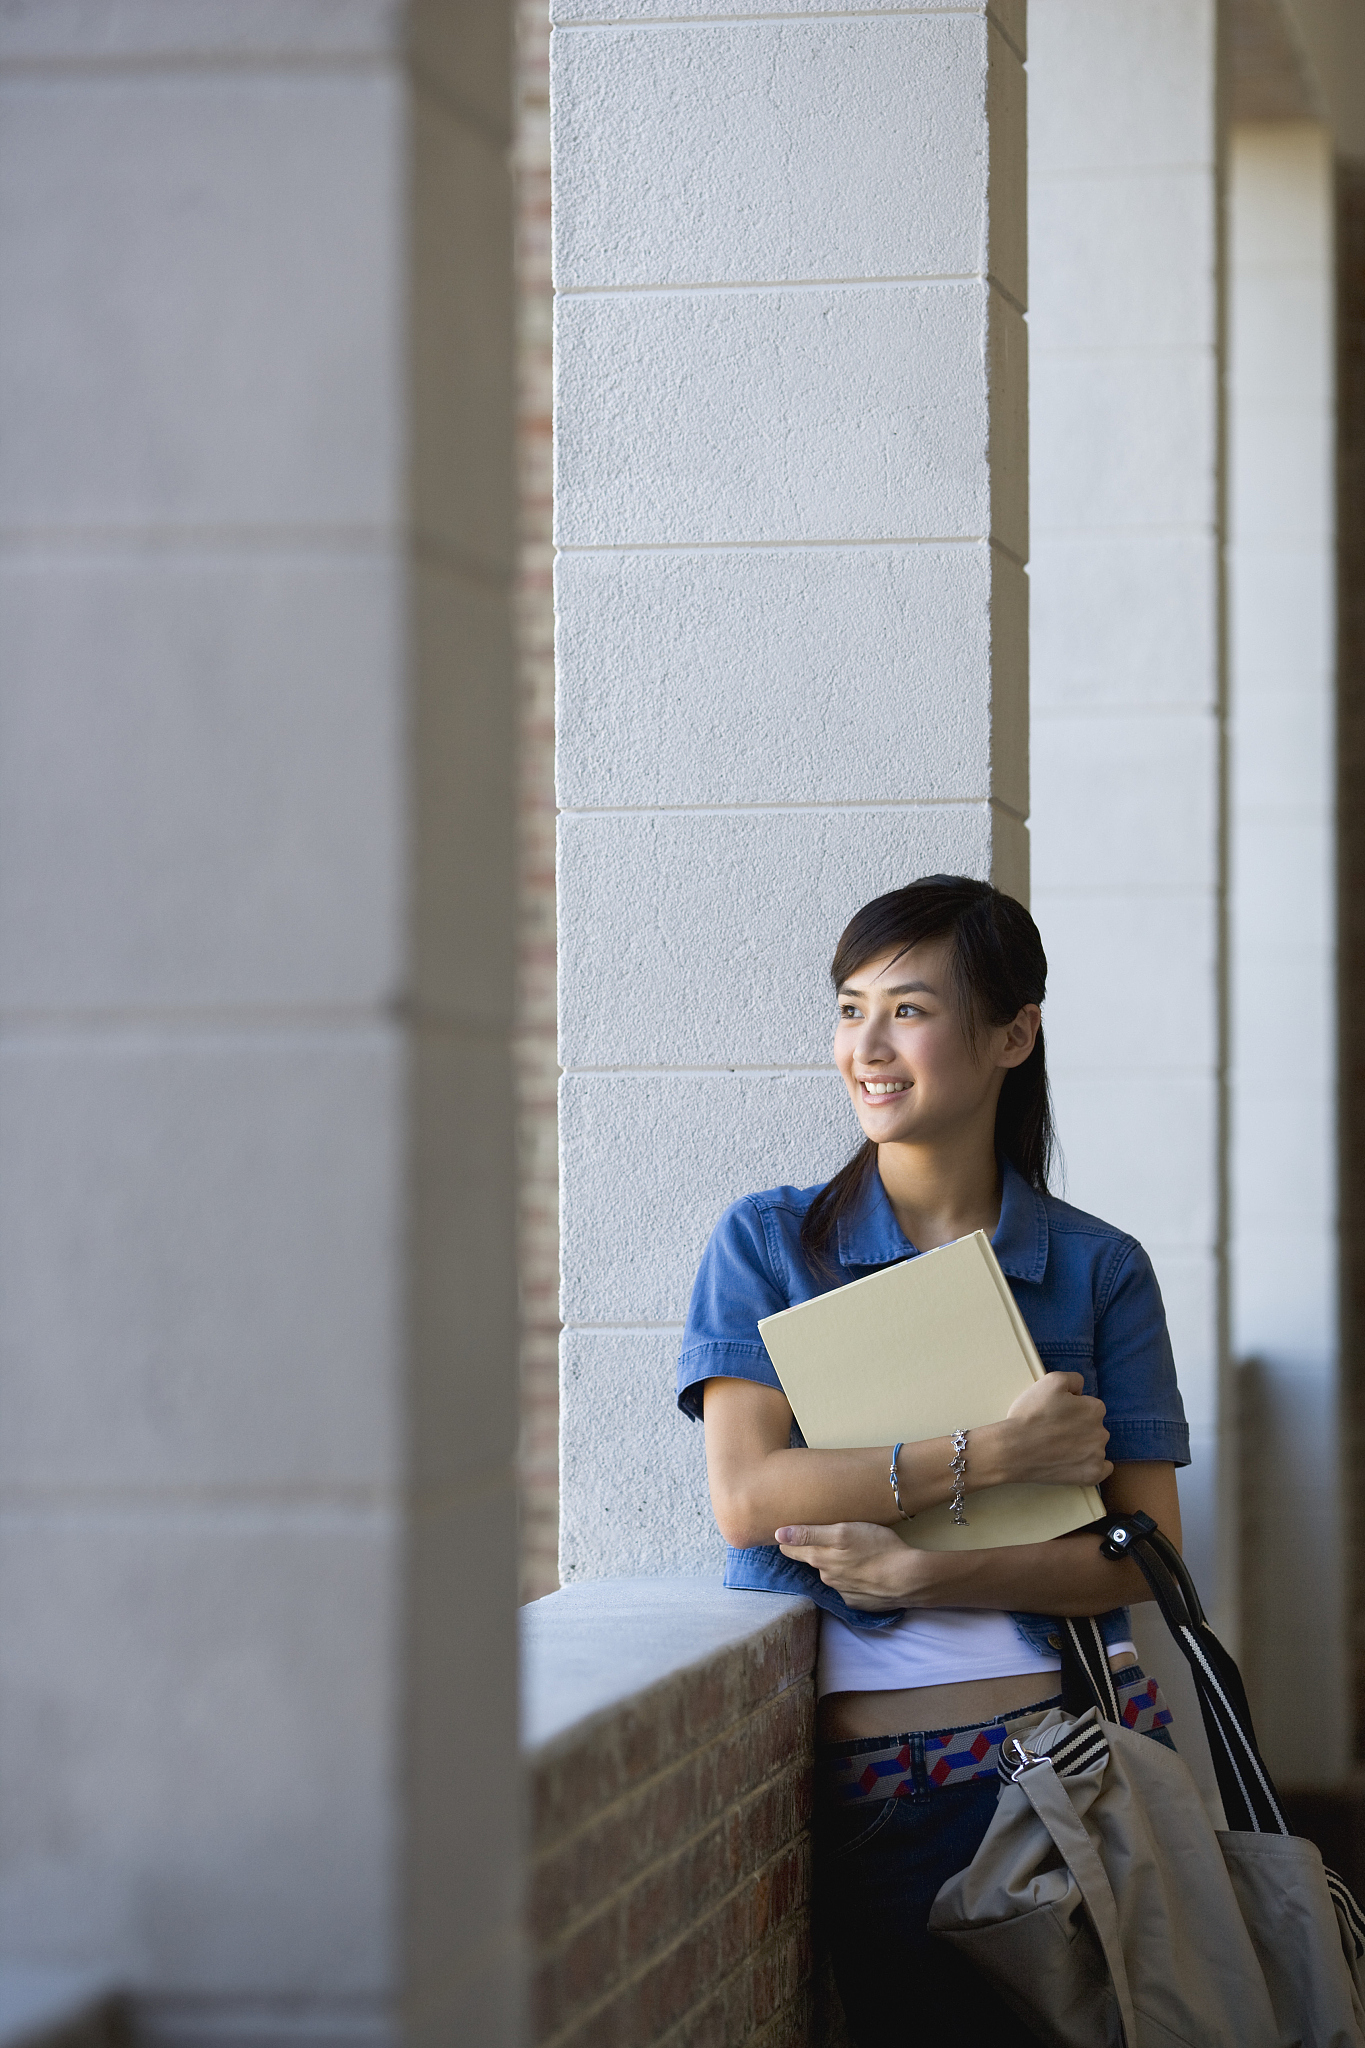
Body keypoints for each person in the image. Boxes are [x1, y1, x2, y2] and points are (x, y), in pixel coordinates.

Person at [676, 875, 1189, 2046]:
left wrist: (925, 1575)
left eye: (908, 1008)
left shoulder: (1099, 1269)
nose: (867, 1044)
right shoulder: (771, 1243)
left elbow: (1141, 1557)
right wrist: (997, 1453)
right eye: (850, 1008)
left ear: (1014, 1032)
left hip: (1087, 1748)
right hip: (893, 1792)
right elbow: (751, 1494)